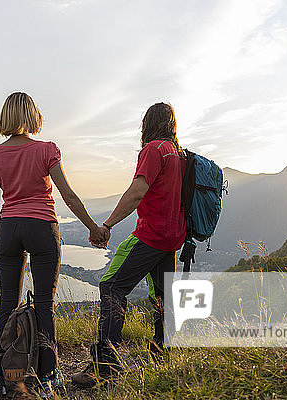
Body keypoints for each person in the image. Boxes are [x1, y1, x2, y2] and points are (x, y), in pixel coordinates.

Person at [0, 92, 108, 398]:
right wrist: (94, 228)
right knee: (44, 304)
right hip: (42, 228)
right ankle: (47, 377)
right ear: (32, 116)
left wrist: (4, 236)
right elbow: (69, 195)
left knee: (7, 303)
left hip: (9, 228)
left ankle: (5, 377)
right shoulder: (46, 150)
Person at [71, 102, 186, 387]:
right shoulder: (179, 154)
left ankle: (105, 366)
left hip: (151, 235)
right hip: (172, 238)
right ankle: (162, 352)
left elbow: (137, 192)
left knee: (111, 286)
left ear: (148, 124)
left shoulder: (154, 150)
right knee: (161, 294)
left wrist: (107, 225)